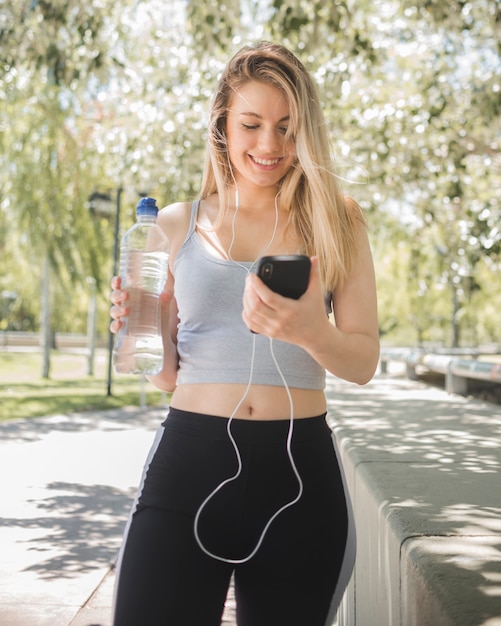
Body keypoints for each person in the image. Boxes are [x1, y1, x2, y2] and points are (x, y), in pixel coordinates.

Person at [109, 41, 379, 626]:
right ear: (222, 127)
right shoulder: (175, 224)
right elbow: (163, 375)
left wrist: (311, 331)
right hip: (189, 463)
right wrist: (143, 325)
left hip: (300, 477)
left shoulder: (339, 221)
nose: (270, 145)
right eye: (252, 124)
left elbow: (361, 361)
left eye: (287, 128)